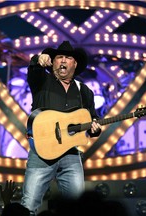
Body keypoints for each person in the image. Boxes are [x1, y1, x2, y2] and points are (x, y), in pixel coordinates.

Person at [21, 40, 102, 215]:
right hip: (41, 154)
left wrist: (95, 128)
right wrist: (37, 59)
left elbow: (91, 119)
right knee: (29, 205)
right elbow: (34, 68)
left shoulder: (84, 91)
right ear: (53, 61)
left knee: (78, 207)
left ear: (75, 64)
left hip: (71, 155)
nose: (63, 61)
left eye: (67, 58)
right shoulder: (41, 80)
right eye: (59, 57)